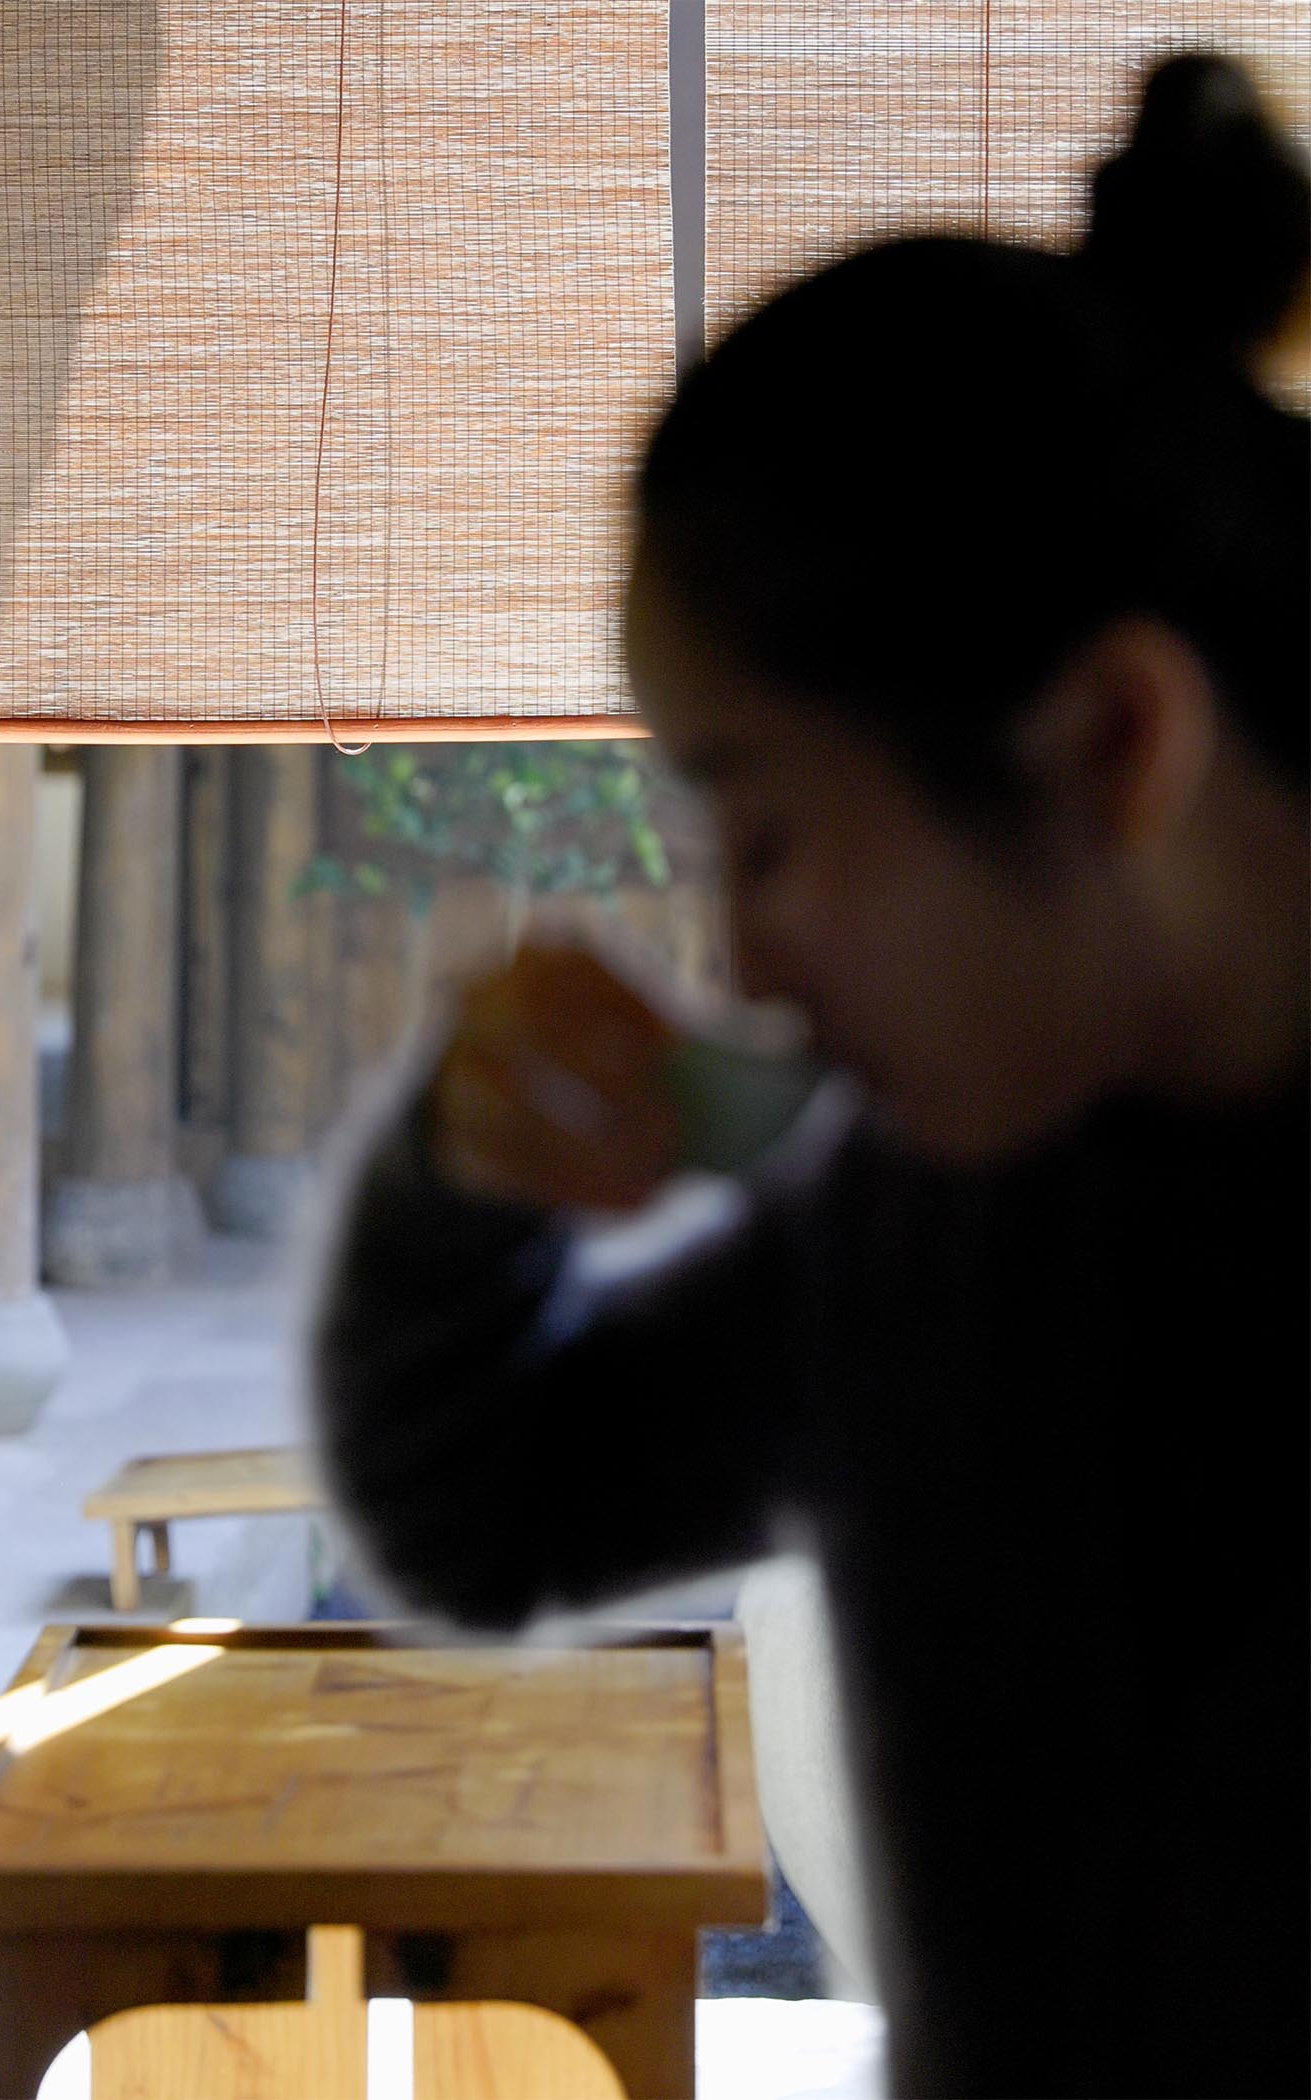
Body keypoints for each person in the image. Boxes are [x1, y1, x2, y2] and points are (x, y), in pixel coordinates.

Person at [309, 54, 1309, 2099]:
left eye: (762, 833)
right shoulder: (937, 1220)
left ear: (1112, 747)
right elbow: (499, 1511)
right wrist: (454, 1185)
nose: (738, 958)